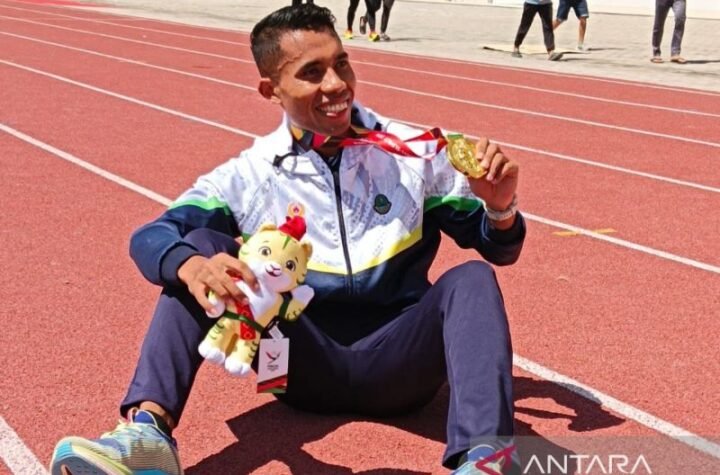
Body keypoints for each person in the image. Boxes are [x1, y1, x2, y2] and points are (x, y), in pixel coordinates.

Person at [49, 4, 526, 475]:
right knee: (199, 250)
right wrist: (192, 268)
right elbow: (152, 236)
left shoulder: (414, 152)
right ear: (270, 90)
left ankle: (485, 460)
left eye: (341, 63)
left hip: (402, 369)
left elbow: (499, 249)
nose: (336, 84)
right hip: (301, 368)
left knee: (473, 278)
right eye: (311, 73)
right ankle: (149, 434)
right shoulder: (249, 175)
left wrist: (500, 208)